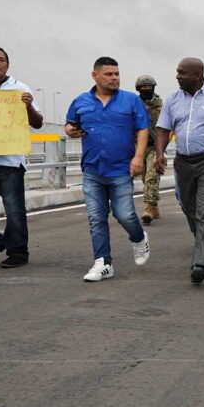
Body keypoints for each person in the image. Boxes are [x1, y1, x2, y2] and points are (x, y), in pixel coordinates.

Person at [64, 57, 151, 281]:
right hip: (92, 170)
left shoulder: (131, 101)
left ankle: (139, 238)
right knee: (96, 218)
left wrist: (139, 157)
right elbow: (70, 124)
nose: (114, 78)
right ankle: (103, 263)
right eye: (109, 74)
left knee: (124, 214)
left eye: (117, 74)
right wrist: (70, 130)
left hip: (121, 169)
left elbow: (142, 129)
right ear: (95, 76)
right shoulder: (81, 101)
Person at [153, 58, 204, 285]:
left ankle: (199, 262)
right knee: (189, 210)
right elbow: (163, 129)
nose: (177, 76)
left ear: (197, 75)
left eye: (182, 73)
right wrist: (160, 154)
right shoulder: (172, 100)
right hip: (183, 163)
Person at [0, 46, 43, 269]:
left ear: (7, 65)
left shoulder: (19, 89)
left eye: (1, 60)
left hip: (9, 160)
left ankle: (18, 252)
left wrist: (28, 106)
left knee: (14, 208)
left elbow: (37, 122)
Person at [134, 75, 164, 225]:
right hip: (138, 145)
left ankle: (148, 207)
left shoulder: (161, 106)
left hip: (154, 145)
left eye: (149, 87)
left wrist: (161, 149)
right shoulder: (134, 104)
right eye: (143, 87)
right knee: (145, 177)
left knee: (152, 176)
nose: (146, 89)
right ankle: (154, 205)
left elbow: (166, 127)